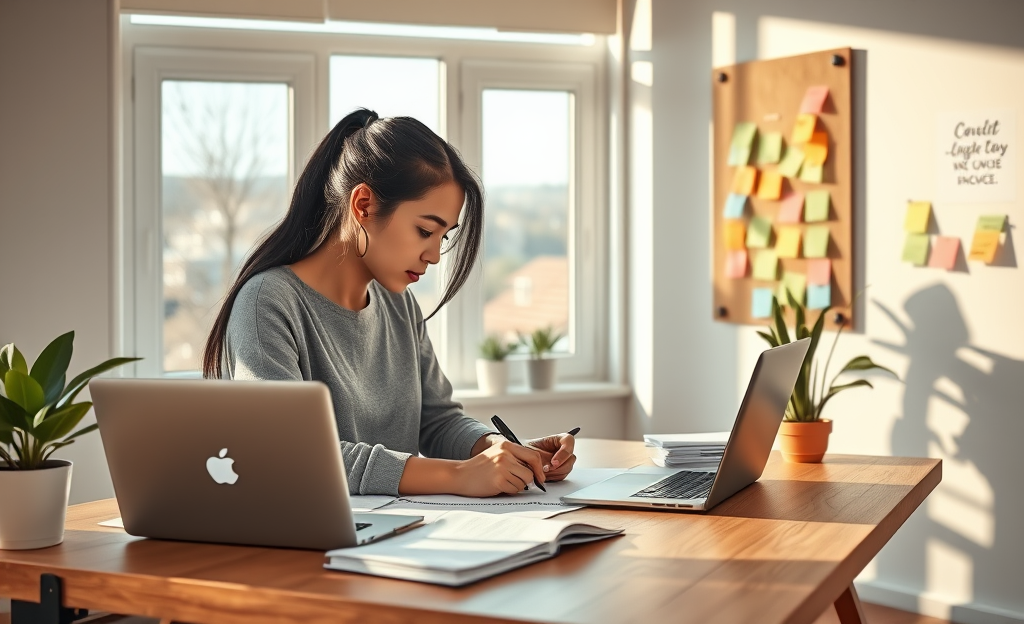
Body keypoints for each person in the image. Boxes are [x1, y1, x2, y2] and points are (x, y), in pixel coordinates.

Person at [202, 109, 576, 497]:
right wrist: (458, 476)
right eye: (424, 231)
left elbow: (438, 422)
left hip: (401, 529)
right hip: (312, 542)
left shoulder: (399, 306)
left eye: (443, 236)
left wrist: (498, 449)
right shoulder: (268, 304)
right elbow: (289, 454)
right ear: (363, 204)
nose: (434, 255)